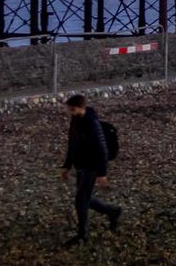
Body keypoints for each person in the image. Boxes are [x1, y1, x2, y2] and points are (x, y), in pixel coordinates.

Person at [60, 94, 121, 245]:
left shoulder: (92, 123)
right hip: (80, 165)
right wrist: (67, 165)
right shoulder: (76, 120)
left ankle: (82, 234)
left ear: (82, 108)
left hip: (92, 166)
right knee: (84, 199)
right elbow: (72, 144)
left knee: (80, 200)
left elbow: (102, 150)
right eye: (69, 110)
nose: (70, 112)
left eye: (72, 110)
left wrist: (102, 173)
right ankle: (112, 211)